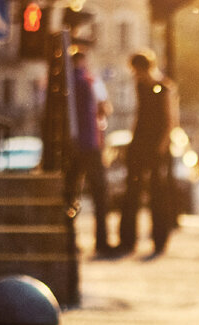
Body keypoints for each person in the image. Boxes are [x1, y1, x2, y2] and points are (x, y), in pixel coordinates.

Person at [117, 49, 177, 256]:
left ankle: (159, 240)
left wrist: (161, 148)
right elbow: (139, 115)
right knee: (131, 191)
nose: (135, 75)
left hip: (155, 146)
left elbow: (170, 121)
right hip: (139, 143)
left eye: (137, 70)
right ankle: (127, 239)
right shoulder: (141, 86)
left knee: (157, 194)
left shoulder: (164, 87)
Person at [64, 50, 113, 255]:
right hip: (91, 144)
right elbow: (105, 107)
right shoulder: (90, 81)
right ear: (83, 61)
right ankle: (101, 241)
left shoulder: (64, 82)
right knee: (99, 193)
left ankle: (69, 240)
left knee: (70, 193)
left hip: (71, 146)